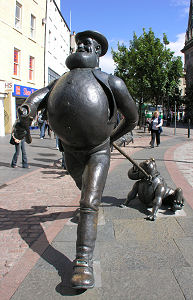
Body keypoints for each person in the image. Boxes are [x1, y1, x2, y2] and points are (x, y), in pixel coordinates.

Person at [12, 30, 138, 289]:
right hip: (70, 150)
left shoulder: (111, 82)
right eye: (79, 43)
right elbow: (38, 97)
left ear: (97, 53)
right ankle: (87, 213)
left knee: (89, 201)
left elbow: (133, 118)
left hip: (97, 150)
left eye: (87, 45)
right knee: (83, 187)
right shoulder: (60, 81)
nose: (81, 46)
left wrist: (111, 138)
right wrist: (26, 112)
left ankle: (83, 262)